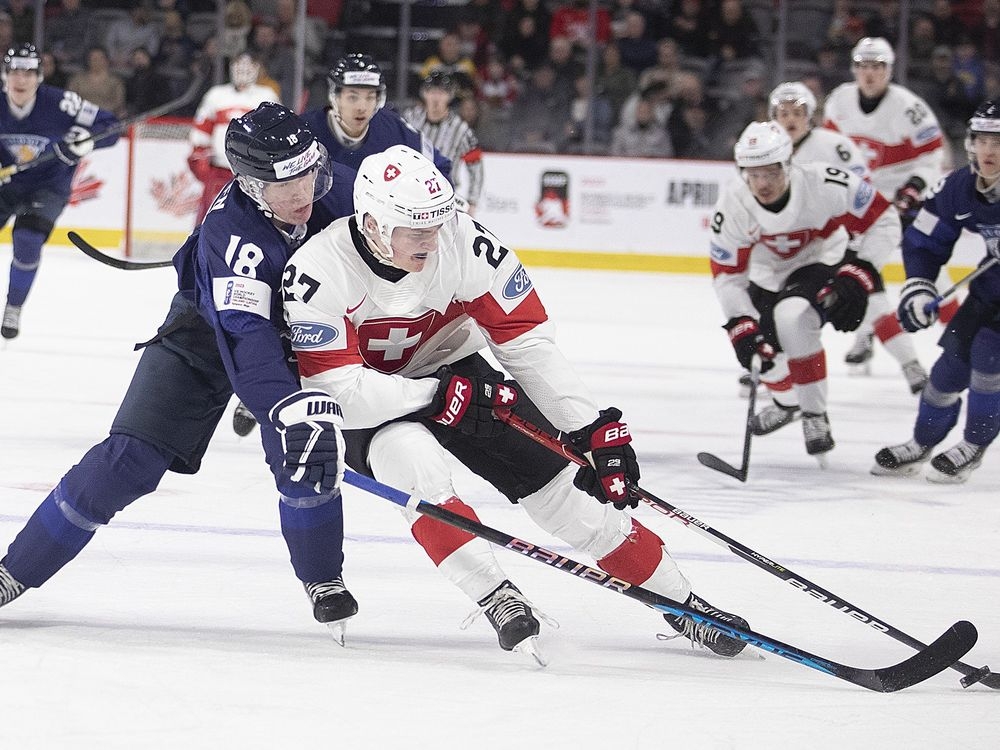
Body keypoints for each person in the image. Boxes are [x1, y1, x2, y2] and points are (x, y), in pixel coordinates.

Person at [281, 144, 750, 661]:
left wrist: (591, 429)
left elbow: (526, 341)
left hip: (462, 378)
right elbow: (340, 394)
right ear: (371, 222)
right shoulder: (317, 270)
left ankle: (685, 606)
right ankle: (496, 596)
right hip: (375, 402)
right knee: (419, 468)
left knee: (568, 499)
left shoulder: (464, 242)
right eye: (416, 229)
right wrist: (436, 396)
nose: (433, 241)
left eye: (437, 223)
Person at [0, 103, 361, 644]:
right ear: (248, 183)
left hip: (302, 339)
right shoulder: (231, 237)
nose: (303, 192)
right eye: (284, 183)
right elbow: (248, 337)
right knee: (126, 460)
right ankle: (13, 571)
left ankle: (323, 579)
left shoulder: (345, 193)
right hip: (205, 336)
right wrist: (286, 407)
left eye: (310, 173)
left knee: (305, 464)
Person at [226, 52, 456, 440]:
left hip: (369, 244)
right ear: (334, 96)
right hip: (309, 242)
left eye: (369, 96)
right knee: (287, 306)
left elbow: (437, 172)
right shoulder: (303, 131)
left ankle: (369, 377)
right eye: (352, 96)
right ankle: (274, 380)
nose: (361, 106)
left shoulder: (394, 131)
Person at [710, 122, 901, 460]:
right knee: (762, 352)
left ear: (788, 163)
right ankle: (787, 402)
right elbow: (727, 274)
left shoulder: (825, 182)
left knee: (793, 317)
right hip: (766, 275)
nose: (762, 184)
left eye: (770, 172)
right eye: (753, 174)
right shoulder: (732, 205)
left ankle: (814, 413)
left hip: (822, 260)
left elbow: (883, 219)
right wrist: (740, 322)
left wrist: (861, 270)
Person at [872, 100, 1000, 483]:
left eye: (999, 142)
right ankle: (921, 442)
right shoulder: (959, 187)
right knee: (947, 371)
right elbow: (924, 240)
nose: (990, 151)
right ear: (970, 144)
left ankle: (973, 446)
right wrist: (919, 286)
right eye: (983, 141)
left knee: (988, 358)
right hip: (990, 289)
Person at [770, 80, 927, 391]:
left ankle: (913, 367)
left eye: (797, 112)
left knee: (875, 305)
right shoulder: (765, 148)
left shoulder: (834, 146)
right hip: (797, 250)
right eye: (783, 112)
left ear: (810, 115)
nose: (790, 119)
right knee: (781, 311)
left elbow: (862, 192)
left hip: (842, 241)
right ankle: (772, 371)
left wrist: (858, 238)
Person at [823, 37, 946, 385]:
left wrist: (913, 188)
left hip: (901, 199)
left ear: (889, 71)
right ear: (854, 69)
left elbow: (933, 155)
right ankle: (867, 335)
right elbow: (830, 149)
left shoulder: (910, 108)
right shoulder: (839, 100)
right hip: (860, 199)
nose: (869, 74)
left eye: (877, 67)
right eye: (863, 66)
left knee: (933, 272)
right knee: (862, 270)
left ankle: (961, 345)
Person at [0, 43, 120, 340]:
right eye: (14, 72)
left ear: (39, 77)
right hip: (5, 185)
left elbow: (112, 126)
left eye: (28, 73)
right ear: (4, 76)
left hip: (47, 186)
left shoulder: (62, 102)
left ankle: (13, 307)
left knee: (27, 241)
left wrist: (87, 141)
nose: (21, 79)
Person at [188, 52, 279, 226]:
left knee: (252, 219)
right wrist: (199, 156)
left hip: (254, 173)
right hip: (219, 170)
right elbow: (202, 128)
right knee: (210, 218)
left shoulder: (267, 96)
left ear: (257, 69)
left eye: (248, 66)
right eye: (239, 65)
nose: (243, 71)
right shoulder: (216, 95)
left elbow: (275, 134)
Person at [402, 71, 485, 215]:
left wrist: (472, 201)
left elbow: (476, 166)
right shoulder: (410, 119)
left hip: (444, 196)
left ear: (449, 96)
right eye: (432, 92)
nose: (436, 98)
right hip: (409, 192)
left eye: (441, 93)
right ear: (424, 94)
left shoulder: (461, 130)